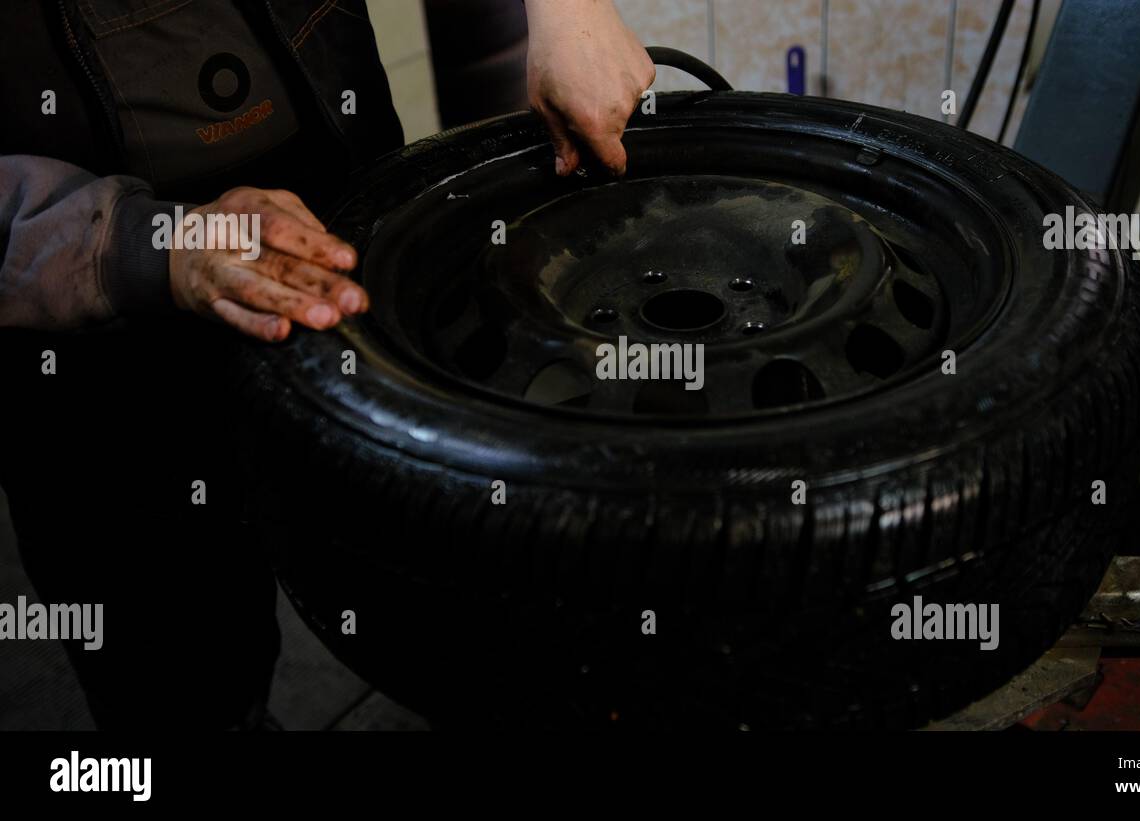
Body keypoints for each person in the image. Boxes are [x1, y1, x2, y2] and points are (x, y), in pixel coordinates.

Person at [0, 0, 654, 729]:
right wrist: (134, 244)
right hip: (93, 333)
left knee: (446, 603)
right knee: (179, 675)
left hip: (344, 224)